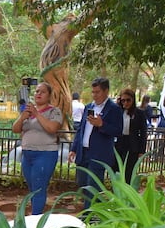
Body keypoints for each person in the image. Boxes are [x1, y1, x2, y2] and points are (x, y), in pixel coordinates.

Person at [68, 77, 123, 210]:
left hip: (99, 154)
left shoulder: (114, 109)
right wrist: (74, 148)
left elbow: (118, 131)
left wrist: (101, 124)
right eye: (93, 92)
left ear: (106, 91)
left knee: (93, 186)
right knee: (83, 184)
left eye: (97, 92)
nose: (94, 95)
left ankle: (90, 216)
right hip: (84, 152)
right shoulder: (88, 107)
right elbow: (81, 129)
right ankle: (92, 212)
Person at [12, 81, 63, 214]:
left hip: (45, 154)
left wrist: (37, 113)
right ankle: (36, 216)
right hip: (27, 154)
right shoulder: (28, 111)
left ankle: (36, 220)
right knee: (32, 188)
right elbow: (15, 129)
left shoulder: (54, 111)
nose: (38, 94)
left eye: (42, 92)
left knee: (39, 188)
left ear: (49, 95)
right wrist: (23, 116)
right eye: (37, 91)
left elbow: (52, 128)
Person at [113, 89, 147, 184]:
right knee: (116, 169)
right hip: (119, 143)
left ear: (133, 100)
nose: (126, 103)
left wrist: (141, 151)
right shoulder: (118, 112)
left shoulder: (139, 113)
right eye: (123, 100)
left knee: (129, 172)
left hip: (132, 145)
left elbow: (143, 133)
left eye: (128, 100)